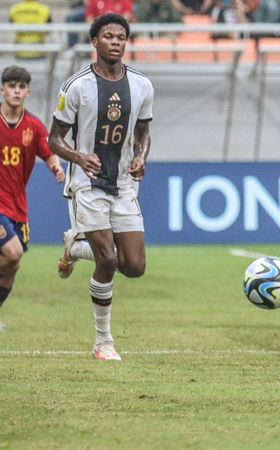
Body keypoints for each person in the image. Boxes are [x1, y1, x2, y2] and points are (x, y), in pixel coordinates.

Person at [51, 13, 155, 361]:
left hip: (124, 183)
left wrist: (141, 157)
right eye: (108, 36)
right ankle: (103, 342)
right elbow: (55, 139)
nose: (115, 42)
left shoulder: (142, 85)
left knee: (135, 266)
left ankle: (75, 246)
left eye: (121, 37)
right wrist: (79, 158)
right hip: (88, 183)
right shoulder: (76, 85)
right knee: (108, 259)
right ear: (95, 41)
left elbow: (143, 133)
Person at [0, 66, 65, 330]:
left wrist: (55, 166)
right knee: (12, 253)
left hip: (18, 206)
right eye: (11, 86)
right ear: (3, 89)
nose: (16, 91)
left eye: (21, 87)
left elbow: (48, 152)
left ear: (27, 92)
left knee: (12, 266)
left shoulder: (34, 126)